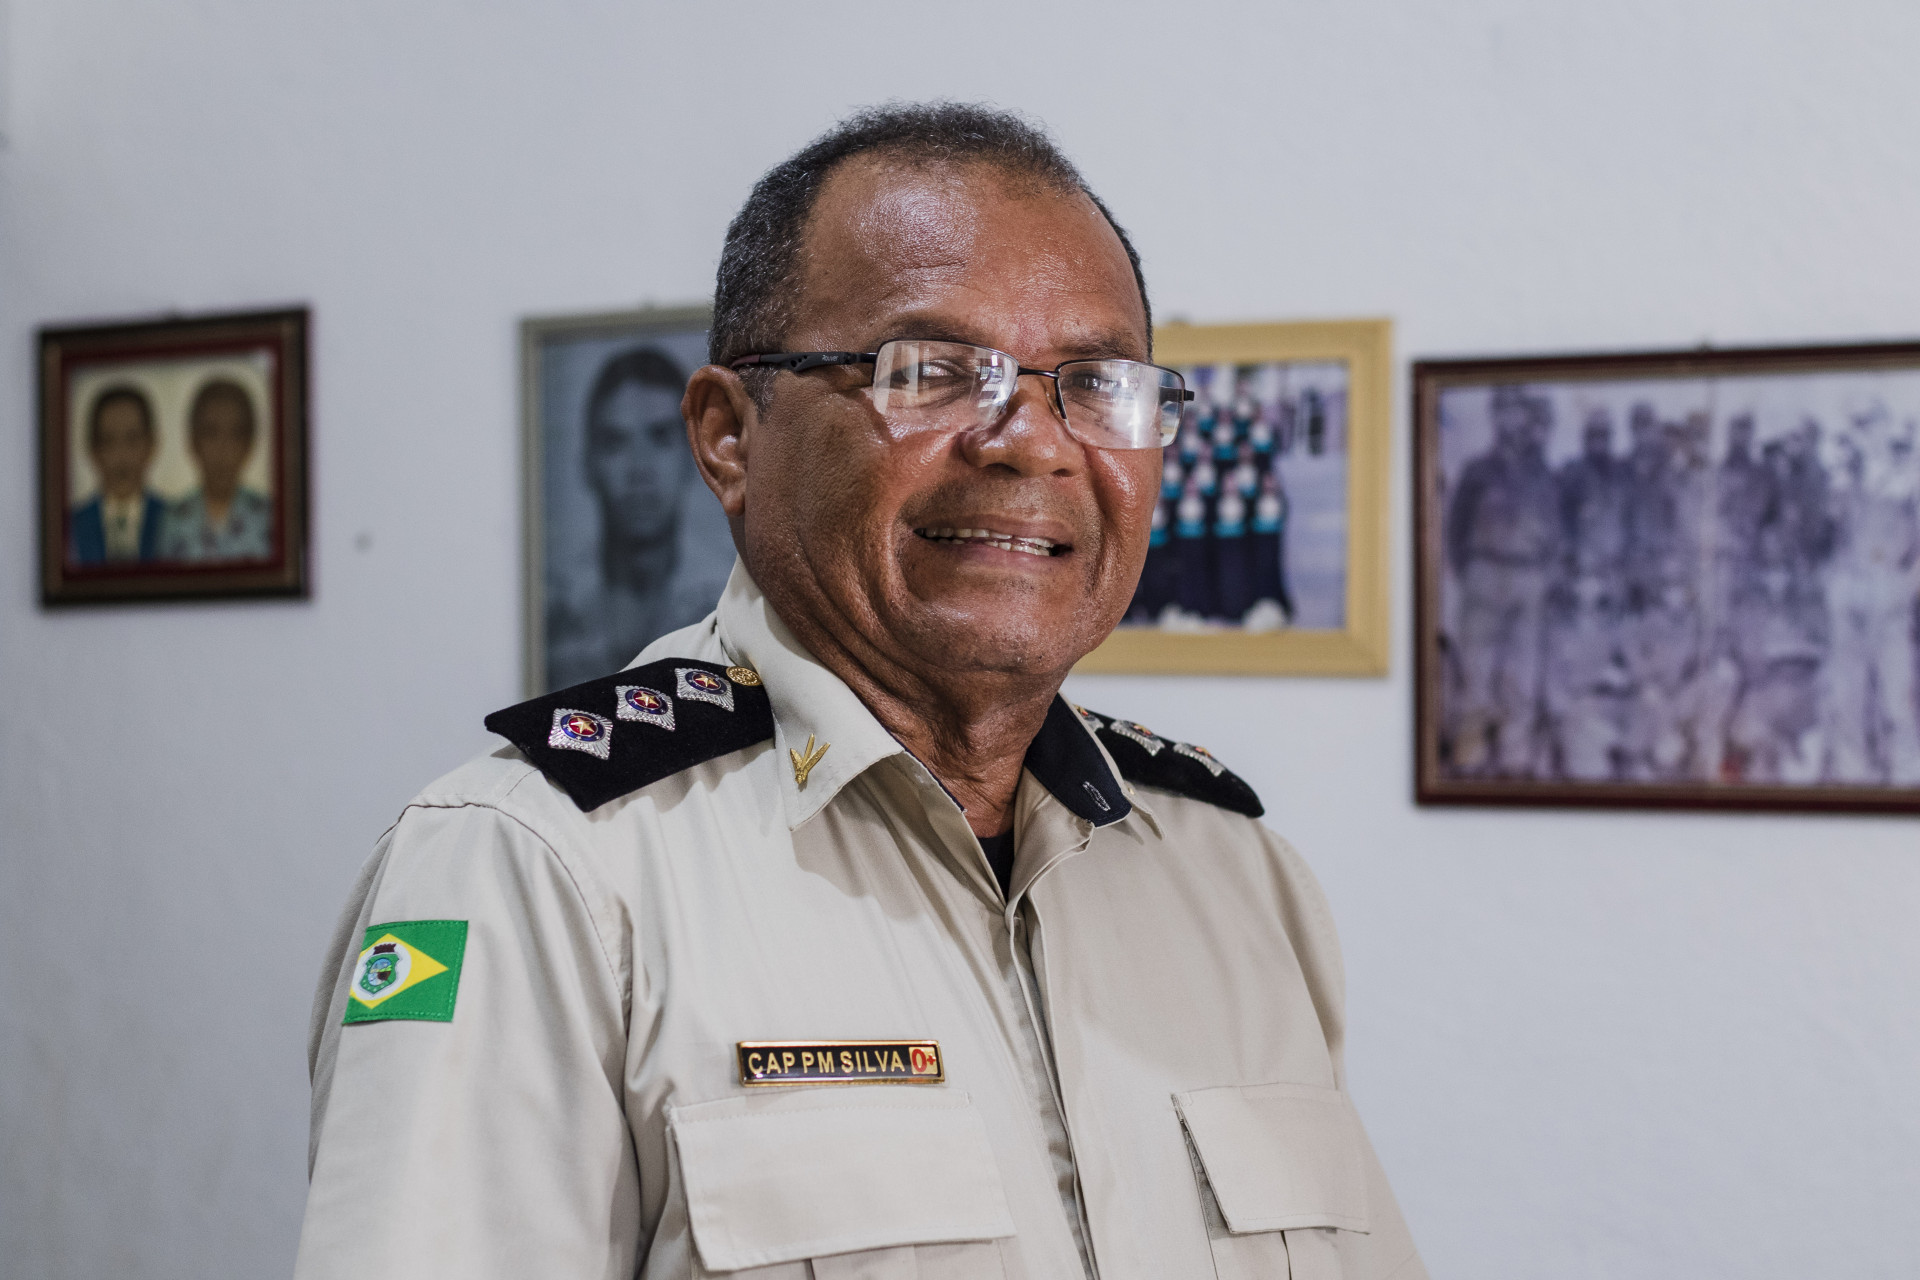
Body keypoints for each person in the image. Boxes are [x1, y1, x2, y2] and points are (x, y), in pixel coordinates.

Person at [295, 104, 1425, 1280]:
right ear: (730, 434)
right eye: (932, 372)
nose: (1032, 443)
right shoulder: (537, 871)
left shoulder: (1236, 875)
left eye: (1096, 383)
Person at [545, 346, 730, 688]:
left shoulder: (731, 601)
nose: (640, 471)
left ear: (693, 456)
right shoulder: (553, 608)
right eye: (616, 443)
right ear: (589, 462)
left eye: (660, 438)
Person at [1443, 385, 1560, 775]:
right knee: (1477, 673)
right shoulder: (1478, 471)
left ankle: (1516, 758)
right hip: (1485, 574)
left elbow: (1557, 531)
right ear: (1494, 417)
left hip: (1530, 577)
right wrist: (1472, 572)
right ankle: (1471, 755)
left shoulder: (1543, 471)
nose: (1512, 420)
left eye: (1518, 412)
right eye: (1504, 411)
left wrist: (1544, 573)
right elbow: (1454, 529)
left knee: (1522, 677)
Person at [158, 377, 273, 561]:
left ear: (249, 444)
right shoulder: (172, 520)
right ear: (194, 442)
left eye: (235, 434)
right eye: (211, 433)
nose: (223, 449)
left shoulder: (269, 519)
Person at [69, 384, 165, 564]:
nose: (121, 457)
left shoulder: (170, 520)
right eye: (108, 441)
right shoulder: (71, 527)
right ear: (93, 451)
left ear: (151, 445)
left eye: (132, 439)